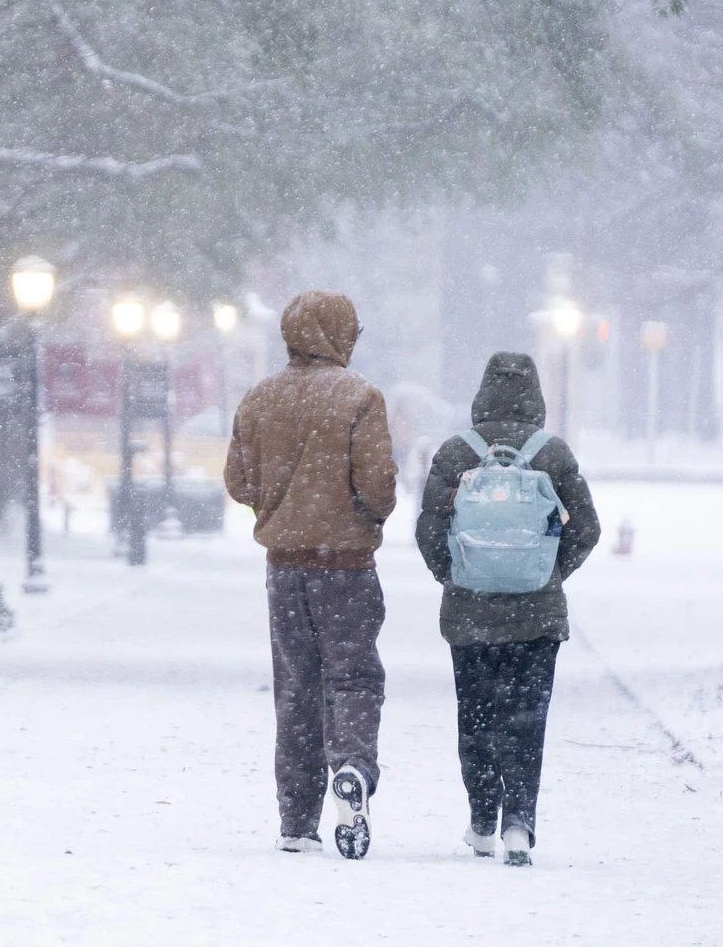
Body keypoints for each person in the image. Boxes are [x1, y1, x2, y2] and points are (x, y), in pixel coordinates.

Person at [225, 290, 396, 860]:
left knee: (295, 687)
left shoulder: (258, 399)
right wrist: (357, 513)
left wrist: (278, 507)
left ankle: (298, 820)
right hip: (347, 567)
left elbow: (238, 482)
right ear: (338, 333)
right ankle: (351, 766)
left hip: (284, 570)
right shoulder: (359, 397)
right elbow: (379, 490)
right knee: (352, 677)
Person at [416, 353, 600, 868]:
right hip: (537, 616)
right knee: (526, 720)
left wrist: (456, 576)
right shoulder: (553, 454)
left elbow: (427, 531)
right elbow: (587, 528)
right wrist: (549, 571)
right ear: (536, 397)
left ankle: (480, 822)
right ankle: (518, 824)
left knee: (475, 717)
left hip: (469, 616)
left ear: (482, 394)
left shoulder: (457, 452)